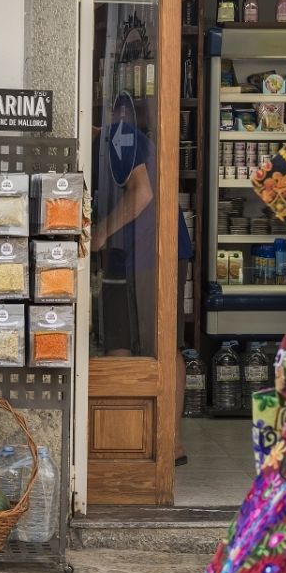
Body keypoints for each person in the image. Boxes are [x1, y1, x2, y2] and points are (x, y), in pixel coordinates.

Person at [91, 114, 194, 465]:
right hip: (122, 256)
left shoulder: (118, 135)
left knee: (162, 344)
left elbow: (143, 192)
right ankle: (121, 442)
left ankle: (172, 443)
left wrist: (101, 232)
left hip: (158, 251)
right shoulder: (88, 155)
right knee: (117, 342)